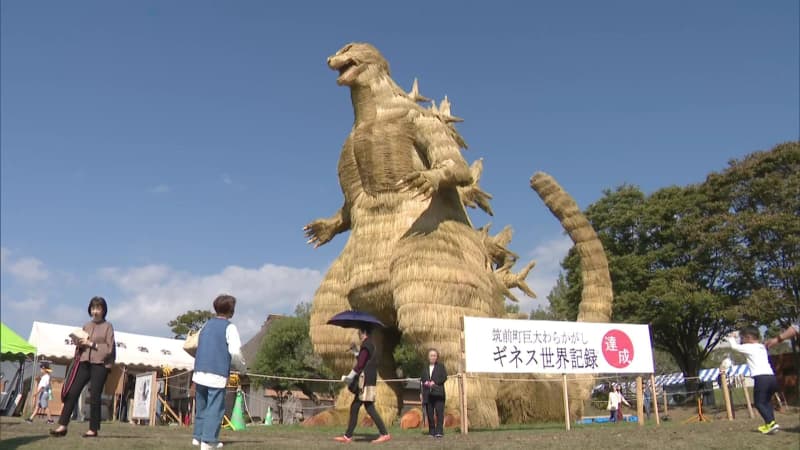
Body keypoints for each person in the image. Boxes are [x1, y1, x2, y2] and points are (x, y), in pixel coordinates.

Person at [50, 296, 115, 438]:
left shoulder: (108, 326)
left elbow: (110, 348)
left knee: (94, 396)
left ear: (103, 310)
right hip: (84, 361)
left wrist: (91, 344)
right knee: (72, 392)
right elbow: (82, 345)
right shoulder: (86, 325)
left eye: (98, 308)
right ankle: (63, 426)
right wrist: (79, 342)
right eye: (93, 308)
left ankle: (93, 429)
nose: (95, 311)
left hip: (101, 364)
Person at [192, 294, 246, 450]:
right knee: (215, 408)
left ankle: (198, 437)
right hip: (216, 372)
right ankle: (208, 441)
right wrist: (242, 368)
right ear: (231, 310)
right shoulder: (230, 327)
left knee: (201, 407)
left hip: (200, 370)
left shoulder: (206, 325)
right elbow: (235, 351)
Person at [334, 328, 391, 444]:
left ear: (363, 332)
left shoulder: (366, 345)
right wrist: (355, 351)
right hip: (367, 379)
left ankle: (385, 433)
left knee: (369, 407)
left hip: (365, 380)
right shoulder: (368, 345)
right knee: (355, 407)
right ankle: (348, 436)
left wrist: (348, 377)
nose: (358, 335)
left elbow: (360, 365)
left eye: (359, 333)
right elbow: (363, 360)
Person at [727, 327, 780, 434]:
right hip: (772, 377)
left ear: (749, 338)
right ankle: (770, 424)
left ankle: (771, 423)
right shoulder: (761, 346)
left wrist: (731, 337)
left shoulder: (749, 347)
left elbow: (734, 347)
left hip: (761, 378)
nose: (741, 341)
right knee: (766, 402)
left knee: (759, 403)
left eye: (742, 338)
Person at [420, 348, 447, 438]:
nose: (433, 357)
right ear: (428, 357)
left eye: (435, 355)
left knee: (439, 413)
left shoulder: (441, 366)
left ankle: (439, 431)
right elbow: (422, 379)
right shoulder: (424, 367)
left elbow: (444, 377)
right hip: (427, 394)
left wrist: (435, 382)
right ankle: (431, 431)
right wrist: (425, 385)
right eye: (431, 355)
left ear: (437, 357)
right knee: (430, 413)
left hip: (438, 393)